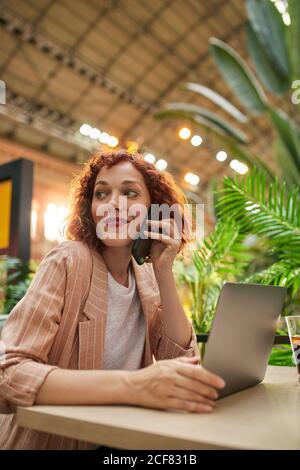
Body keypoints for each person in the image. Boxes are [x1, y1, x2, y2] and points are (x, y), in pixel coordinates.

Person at [0, 150, 225, 450]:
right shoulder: (68, 260)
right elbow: (9, 373)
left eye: (130, 192)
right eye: (101, 193)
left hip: (117, 441)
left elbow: (182, 361)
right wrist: (134, 386)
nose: (112, 205)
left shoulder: (146, 278)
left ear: (154, 210)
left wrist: (163, 270)